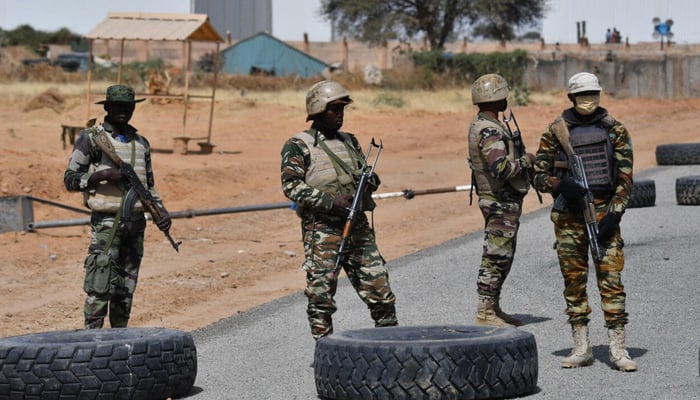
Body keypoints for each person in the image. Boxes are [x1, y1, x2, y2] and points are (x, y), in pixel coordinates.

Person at [533, 72, 637, 371]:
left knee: (611, 280)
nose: (588, 100)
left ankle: (618, 348)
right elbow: (538, 174)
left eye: (593, 94)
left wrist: (615, 214)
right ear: (571, 98)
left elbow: (626, 178)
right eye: (582, 95)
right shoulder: (556, 131)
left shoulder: (615, 130)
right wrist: (559, 185)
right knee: (574, 282)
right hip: (569, 217)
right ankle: (582, 346)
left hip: (604, 210)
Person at [280, 80, 398, 340]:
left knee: (380, 290)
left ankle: (391, 345)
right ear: (319, 110)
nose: (340, 115)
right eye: (334, 109)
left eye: (343, 109)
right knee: (321, 296)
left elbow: (364, 173)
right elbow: (291, 187)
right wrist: (331, 202)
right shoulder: (298, 145)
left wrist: (370, 181)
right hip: (322, 231)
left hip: (357, 226)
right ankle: (325, 352)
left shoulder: (350, 141)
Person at [64, 84, 172, 329]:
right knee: (100, 282)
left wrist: (161, 212)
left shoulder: (141, 143)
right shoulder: (92, 139)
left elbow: (148, 186)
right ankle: (93, 339)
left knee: (125, 287)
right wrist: (101, 176)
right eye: (118, 106)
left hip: (135, 224)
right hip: (106, 222)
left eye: (128, 106)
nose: (124, 111)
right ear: (108, 107)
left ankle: (119, 339)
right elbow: (70, 179)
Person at [467, 73, 536, 327]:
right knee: (495, 255)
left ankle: (493, 308)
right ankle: (485, 312)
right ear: (498, 98)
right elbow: (501, 169)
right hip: (498, 200)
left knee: (503, 255)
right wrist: (528, 160)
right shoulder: (489, 129)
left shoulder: (488, 125)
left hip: (501, 200)